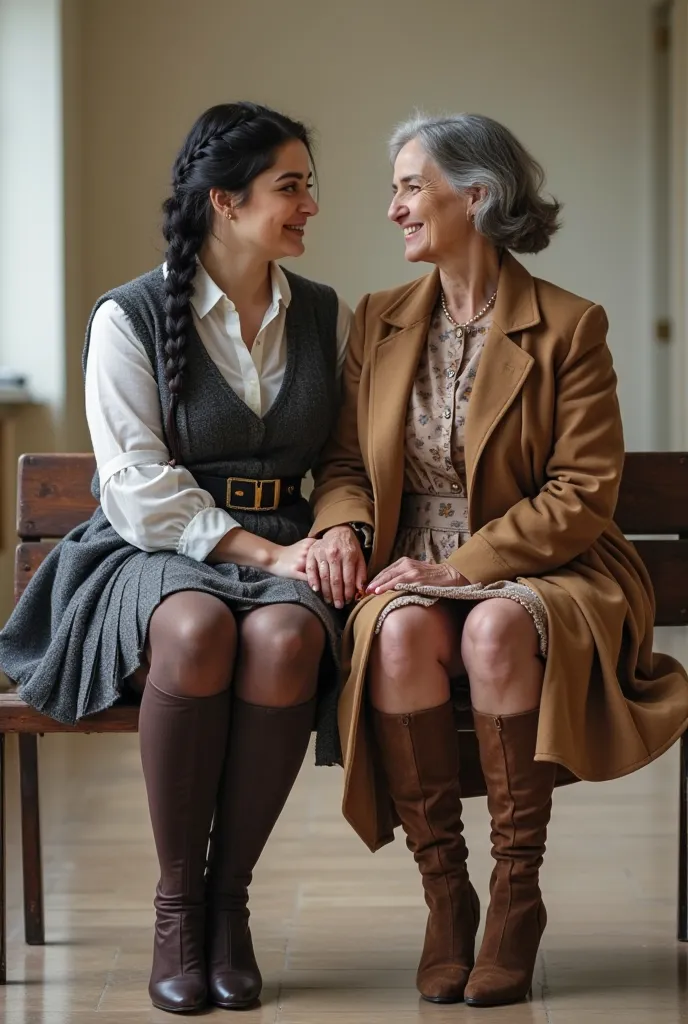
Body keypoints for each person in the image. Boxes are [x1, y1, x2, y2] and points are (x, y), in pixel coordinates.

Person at [307, 112, 688, 1008]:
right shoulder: (377, 321)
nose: (394, 206)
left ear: (475, 196)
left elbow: (581, 491)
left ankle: (517, 895)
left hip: (549, 566)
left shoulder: (570, 326)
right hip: (405, 568)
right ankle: (447, 896)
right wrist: (341, 530)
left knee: (491, 628)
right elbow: (345, 467)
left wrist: (465, 566)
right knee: (399, 640)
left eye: (411, 185)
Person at [0, 102, 353, 1014]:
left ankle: (227, 903)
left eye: (308, 184)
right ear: (226, 200)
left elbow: (346, 457)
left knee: (283, 645)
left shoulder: (319, 314)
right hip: (154, 548)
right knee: (195, 630)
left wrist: (333, 533)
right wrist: (258, 556)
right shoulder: (127, 315)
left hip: (285, 547)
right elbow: (137, 485)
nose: (310, 203)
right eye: (291, 186)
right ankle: (176, 913)